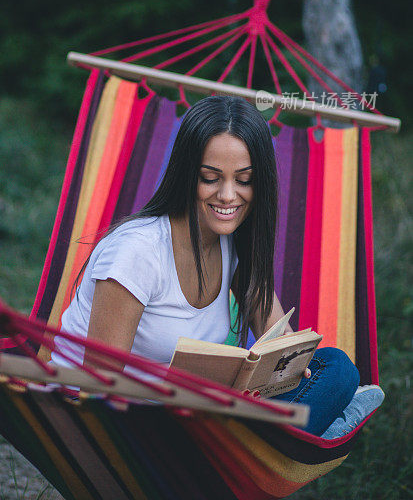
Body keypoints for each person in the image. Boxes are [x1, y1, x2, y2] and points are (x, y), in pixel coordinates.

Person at [52, 95, 383, 436]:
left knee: (336, 368)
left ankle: (295, 433)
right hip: (115, 423)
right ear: (186, 175)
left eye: (243, 180)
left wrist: (292, 368)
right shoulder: (135, 253)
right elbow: (97, 388)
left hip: (190, 413)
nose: (228, 196)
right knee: (324, 389)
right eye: (210, 178)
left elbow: (282, 346)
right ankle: (309, 430)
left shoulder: (231, 245)